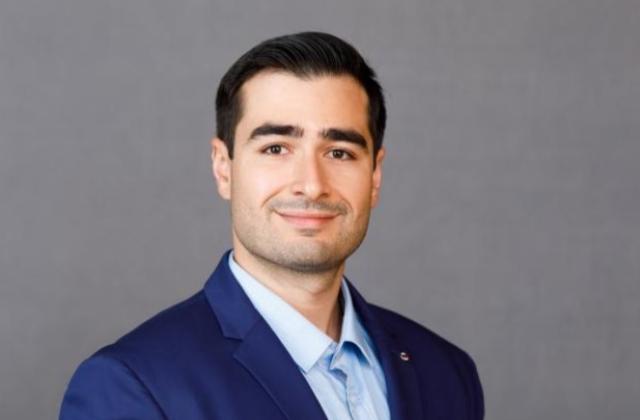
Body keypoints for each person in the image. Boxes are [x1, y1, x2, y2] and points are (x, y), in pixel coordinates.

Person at [60, 32, 484, 420]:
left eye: (339, 152)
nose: (312, 185)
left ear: (375, 175)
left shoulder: (446, 372)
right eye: (276, 148)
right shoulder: (134, 386)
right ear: (223, 168)